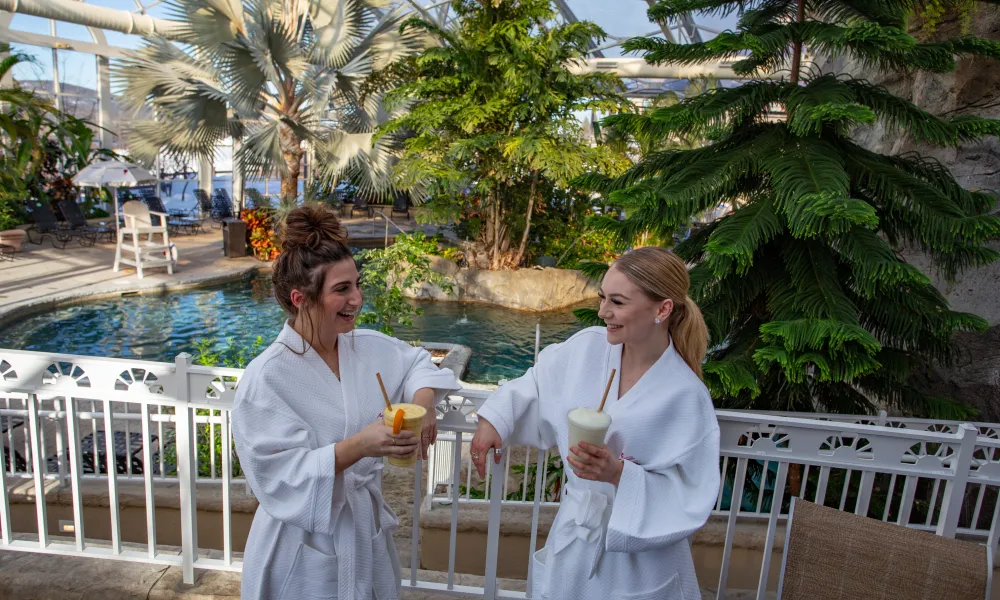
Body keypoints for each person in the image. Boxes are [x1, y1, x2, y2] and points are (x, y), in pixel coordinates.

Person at [232, 205, 460, 600]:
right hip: (299, 545)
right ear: (301, 298)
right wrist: (359, 446)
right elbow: (274, 476)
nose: (357, 298)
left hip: (363, 532)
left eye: (357, 284)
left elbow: (419, 364)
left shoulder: (365, 347)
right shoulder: (267, 377)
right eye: (341, 290)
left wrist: (421, 407)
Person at [471, 246, 720, 600]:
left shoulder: (684, 395)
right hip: (574, 539)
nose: (603, 311)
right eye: (603, 298)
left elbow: (691, 493)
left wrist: (618, 475)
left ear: (663, 309)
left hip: (639, 562)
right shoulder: (587, 349)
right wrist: (494, 419)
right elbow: (536, 384)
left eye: (617, 302)